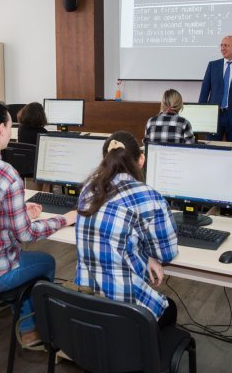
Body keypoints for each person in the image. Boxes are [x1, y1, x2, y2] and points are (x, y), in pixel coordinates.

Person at [0, 102, 77, 346]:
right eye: (10, 125)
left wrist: (19, 210)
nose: (12, 131)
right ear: (0, 129)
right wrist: (65, 219)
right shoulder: (7, 174)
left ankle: (22, 312)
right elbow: (26, 234)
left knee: (27, 260)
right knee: (47, 262)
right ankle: (32, 327)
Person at [75, 131, 179, 325]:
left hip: (86, 302)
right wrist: (149, 256)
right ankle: (138, 353)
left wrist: (144, 256)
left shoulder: (88, 189)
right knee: (170, 309)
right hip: (124, 308)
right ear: (141, 160)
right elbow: (167, 254)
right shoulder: (148, 196)